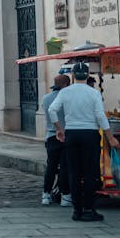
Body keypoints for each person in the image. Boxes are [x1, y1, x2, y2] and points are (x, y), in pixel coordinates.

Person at [49, 62, 120, 223]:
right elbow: (100, 116)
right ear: (87, 75)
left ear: (73, 76)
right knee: (90, 173)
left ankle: (77, 210)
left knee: (74, 173)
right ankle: (89, 209)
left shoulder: (65, 92)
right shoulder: (93, 93)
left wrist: (59, 129)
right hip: (90, 134)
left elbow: (52, 110)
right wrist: (110, 137)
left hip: (72, 134)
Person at [41, 74, 72, 208]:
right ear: (66, 84)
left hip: (51, 136)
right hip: (65, 135)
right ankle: (65, 196)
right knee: (65, 166)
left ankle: (46, 194)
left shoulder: (46, 98)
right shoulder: (68, 98)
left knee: (51, 167)